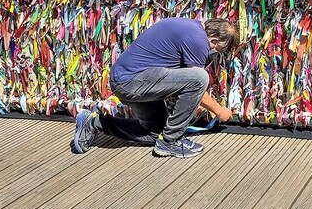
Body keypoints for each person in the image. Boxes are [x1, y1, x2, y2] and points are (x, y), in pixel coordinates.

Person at [72, 18, 239, 159]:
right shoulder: (199, 41)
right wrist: (219, 110)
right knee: (200, 77)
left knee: (155, 133)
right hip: (133, 81)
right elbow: (196, 85)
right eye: (219, 50)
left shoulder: (190, 26)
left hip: (128, 80)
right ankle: (170, 142)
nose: (215, 54)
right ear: (214, 40)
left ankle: (94, 122)